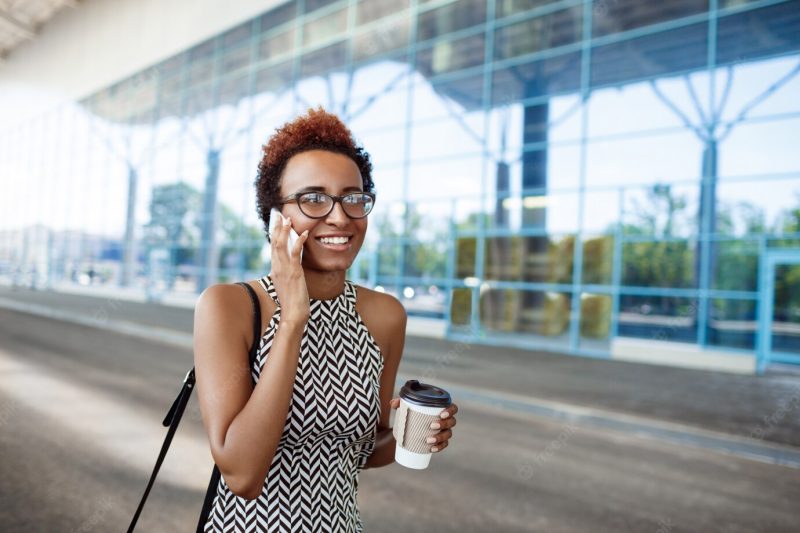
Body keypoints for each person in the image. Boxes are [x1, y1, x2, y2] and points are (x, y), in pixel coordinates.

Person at [193, 108, 459, 531]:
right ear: (275, 216)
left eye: (353, 197)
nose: (339, 216)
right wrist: (293, 318)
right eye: (313, 198)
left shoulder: (384, 315)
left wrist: (414, 433)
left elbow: (365, 450)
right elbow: (241, 474)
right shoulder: (230, 306)